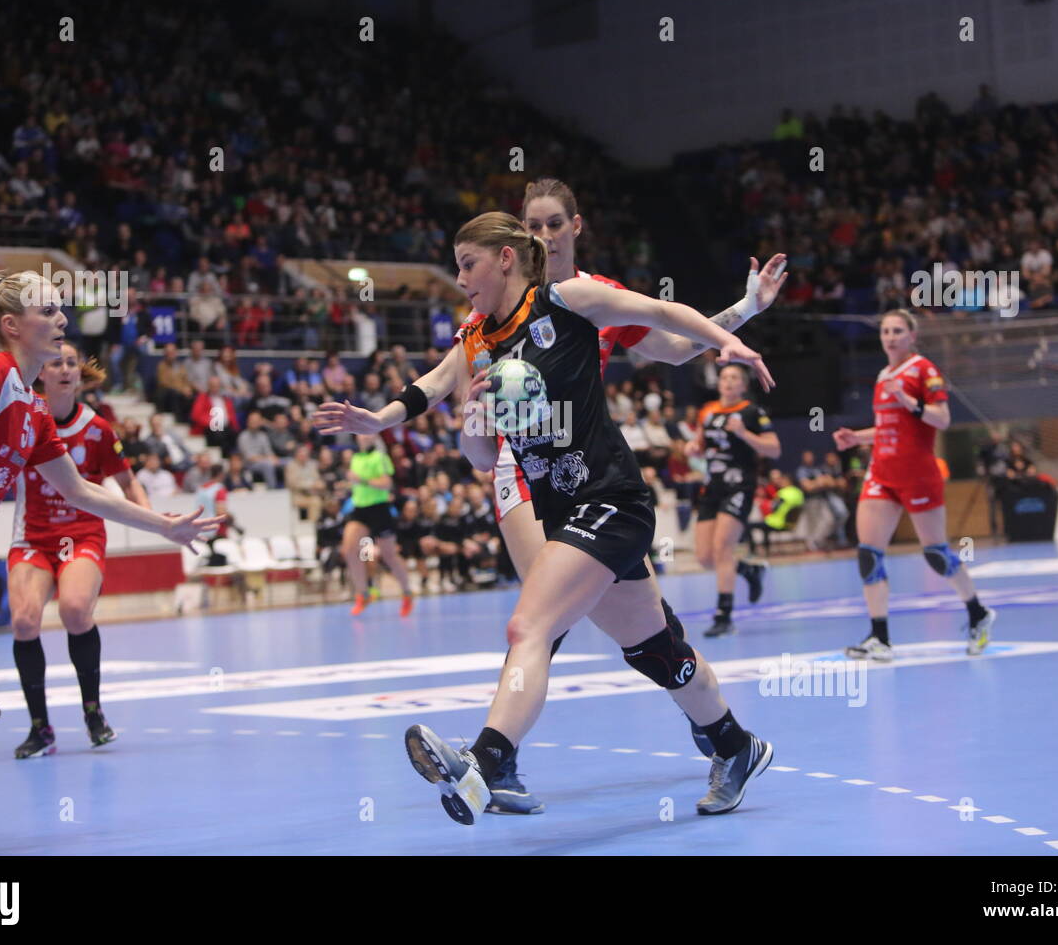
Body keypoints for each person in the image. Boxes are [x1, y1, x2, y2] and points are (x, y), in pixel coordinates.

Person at [316, 179, 786, 815]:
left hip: (608, 497)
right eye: (532, 223)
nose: (460, 281)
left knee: (532, 622)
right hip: (549, 497)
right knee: (653, 647)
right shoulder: (481, 338)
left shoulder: (574, 299)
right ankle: (734, 744)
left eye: (467, 266)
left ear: (563, 232)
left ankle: (485, 760)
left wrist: (735, 327)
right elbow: (450, 409)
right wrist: (409, 419)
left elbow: (668, 324)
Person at [0, 263, 221, 854]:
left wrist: (167, 525)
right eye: (47, 310)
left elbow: (81, 491)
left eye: (61, 308)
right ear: (11, 325)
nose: (61, 318)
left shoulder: (33, 412)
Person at [7, 342, 151, 759]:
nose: (66, 369)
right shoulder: (22, 420)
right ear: (40, 373)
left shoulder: (98, 429)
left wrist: (155, 521)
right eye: (56, 363)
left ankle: (93, 713)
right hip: (31, 537)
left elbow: (128, 484)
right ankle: (40, 728)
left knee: (73, 609)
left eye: (72, 362)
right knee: (23, 621)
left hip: (82, 535)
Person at [832, 308, 996, 662]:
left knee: (936, 554)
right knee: (868, 554)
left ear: (912, 336)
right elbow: (889, 427)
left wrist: (908, 400)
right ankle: (880, 638)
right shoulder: (882, 375)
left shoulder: (924, 370)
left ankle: (978, 614)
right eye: (885, 331)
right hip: (882, 473)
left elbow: (942, 418)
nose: (890, 336)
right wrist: (857, 437)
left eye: (897, 331)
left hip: (918, 473)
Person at [686, 364, 779, 637]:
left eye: (734, 378)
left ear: (743, 385)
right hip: (712, 487)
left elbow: (774, 449)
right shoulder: (709, 411)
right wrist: (694, 448)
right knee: (704, 557)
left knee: (722, 547)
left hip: (739, 484)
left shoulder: (753, 412)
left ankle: (724, 616)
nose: (727, 382)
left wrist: (744, 434)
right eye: (724, 377)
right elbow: (702, 445)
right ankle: (749, 570)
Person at [343, 433, 414, 616]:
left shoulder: (380, 457)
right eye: (360, 435)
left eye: (366, 434)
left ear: (373, 437)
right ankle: (363, 593)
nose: (363, 437)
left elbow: (386, 483)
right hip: (360, 509)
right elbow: (355, 483)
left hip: (380, 509)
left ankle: (407, 592)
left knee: (390, 555)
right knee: (349, 550)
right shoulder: (355, 458)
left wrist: (363, 480)